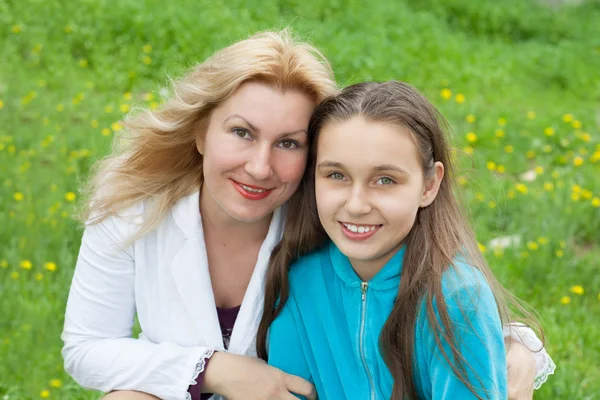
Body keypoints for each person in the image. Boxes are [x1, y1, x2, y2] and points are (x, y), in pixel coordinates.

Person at [61, 31, 552, 400]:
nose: (260, 166)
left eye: (289, 143)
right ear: (200, 132)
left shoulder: (326, 211)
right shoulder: (135, 209)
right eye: (241, 132)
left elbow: (434, 289)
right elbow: (85, 347)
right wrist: (214, 368)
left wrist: (521, 352)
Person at [260, 81, 554, 399]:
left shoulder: (456, 299)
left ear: (429, 185)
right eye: (336, 175)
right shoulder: (300, 281)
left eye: (385, 180)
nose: (356, 204)